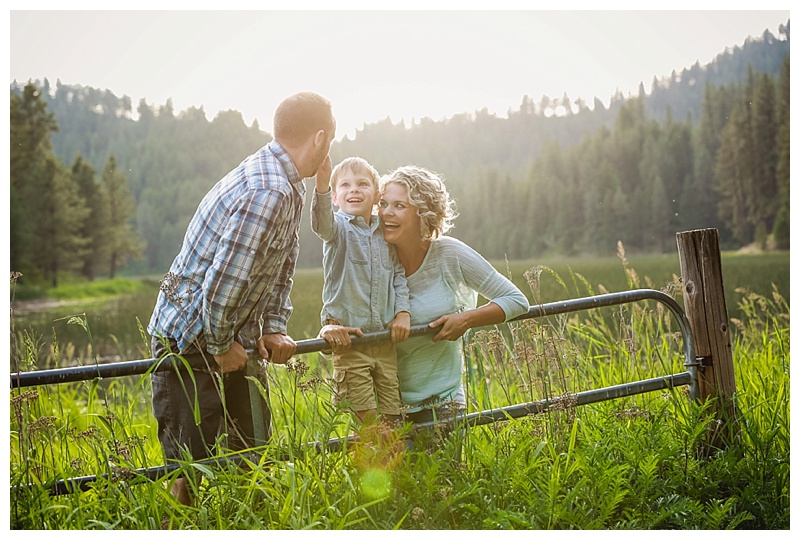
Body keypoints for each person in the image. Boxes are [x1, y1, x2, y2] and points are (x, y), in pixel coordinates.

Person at [147, 91, 335, 506]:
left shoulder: (287, 184)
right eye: (330, 143)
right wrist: (218, 347)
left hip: (233, 336)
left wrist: (273, 327)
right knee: (190, 470)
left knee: (253, 454)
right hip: (191, 340)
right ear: (320, 138)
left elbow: (278, 267)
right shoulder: (266, 190)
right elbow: (223, 284)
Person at [376, 165, 530, 425]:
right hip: (386, 411)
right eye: (383, 203)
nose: (386, 213)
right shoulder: (373, 259)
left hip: (443, 405)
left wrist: (466, 319)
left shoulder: (449, 254)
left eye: (399, 206)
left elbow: (516, 301)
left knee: (449, 468)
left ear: (423, 214)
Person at [311, 157, 411, 425]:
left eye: (362, 184)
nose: (353, 189)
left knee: (394, 420)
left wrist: (403, 313)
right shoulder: (338, 230)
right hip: (350, 342)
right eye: (345, 185)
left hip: (384, 341)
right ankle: (370, 465)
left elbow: (398, 276)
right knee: (368, 425)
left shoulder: (385, 235)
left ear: (377, 195)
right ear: (334, 197)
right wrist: (321, 185)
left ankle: (395, 466)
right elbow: (321, 223)